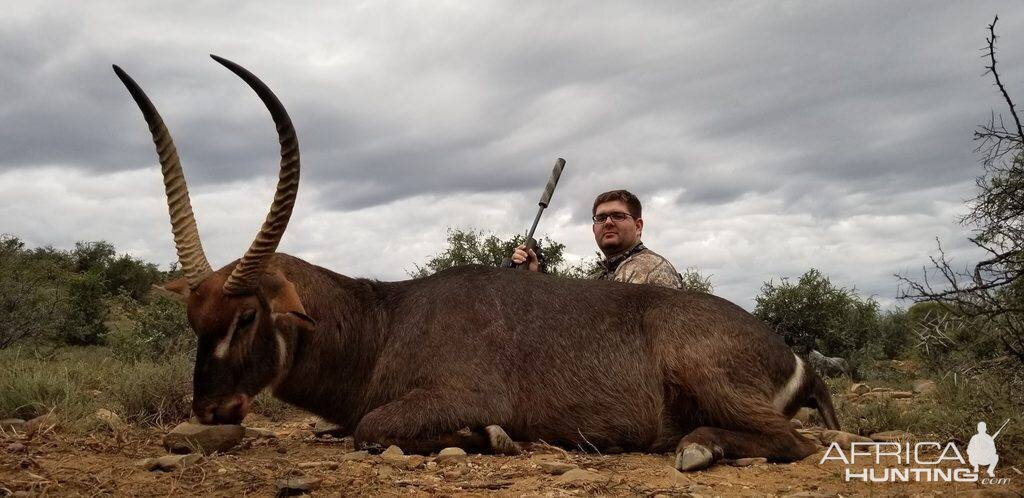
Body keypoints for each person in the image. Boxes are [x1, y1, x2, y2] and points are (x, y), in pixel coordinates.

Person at [510, 189, 684, 289]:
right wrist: (535, 275)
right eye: (601, 218)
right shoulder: (599, 277)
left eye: (618, 215)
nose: (608, 222)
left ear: (638, 226)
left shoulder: (652, 269)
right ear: (594, 229)